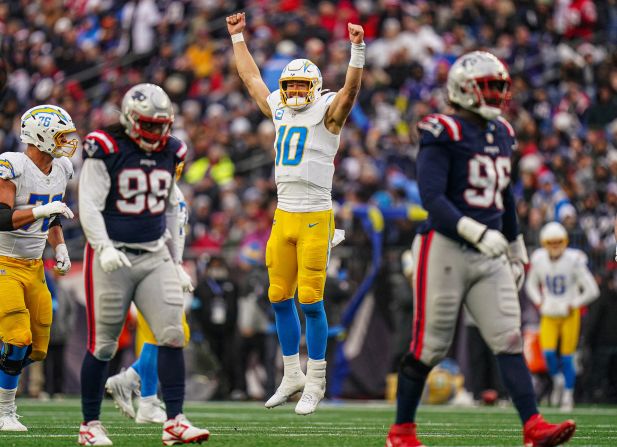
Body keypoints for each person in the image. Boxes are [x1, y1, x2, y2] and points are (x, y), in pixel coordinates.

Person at [385, 51, 577, 447]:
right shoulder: (443, 130)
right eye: (488, 87)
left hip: (489, 251)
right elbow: (432, 197)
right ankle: (401, 431)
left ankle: (532, 425)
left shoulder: (502, 132)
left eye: (500, 87)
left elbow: (503, 195)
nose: (496, 95)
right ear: (463, 88)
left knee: (508, 337)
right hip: (445, 247)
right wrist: (476, 231)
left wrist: (517, 243)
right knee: (429, 346)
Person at [226, 11, 365, 415]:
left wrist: (357, 49)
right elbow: (252, 79)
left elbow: (350, 93)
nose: (297, 91)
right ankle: (291, 374)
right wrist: (238, 39)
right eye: (291, 85)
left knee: (310, 299)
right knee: (277, 295)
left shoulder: (328, 112)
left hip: (315, 215)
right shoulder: (281, 109)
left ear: (317, 86)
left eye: (304, 85)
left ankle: (316, 380)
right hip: (283, 214)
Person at [77, 83, 209, 446]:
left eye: (162, 125)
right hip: (113, 255)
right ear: (131, 119)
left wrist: (177, 261)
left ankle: (175, 420)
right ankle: (90, 425)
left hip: (154, 254)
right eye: (149, 125)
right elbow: (88, 204)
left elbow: (171, 208)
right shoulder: (105, 147)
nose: (157, 133)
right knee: (103, 345)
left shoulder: (172, 150)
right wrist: (102, 246)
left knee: (172, 334)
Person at [0, 104, 77, 431]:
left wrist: (59, 245)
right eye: (60, 136)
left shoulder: (61, 168)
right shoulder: (12, 165)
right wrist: (42, 211)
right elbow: (2, 217)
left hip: (34, 266)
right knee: (18, 338)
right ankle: (5, 412)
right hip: (3, 262)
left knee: (39, 348)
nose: (66, 143)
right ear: (41, 136)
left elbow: (54, 216)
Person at [104, 173, 193, 425]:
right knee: (160, 335)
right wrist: (175, 268)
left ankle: (130, 381)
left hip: (166, 267)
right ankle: (147, 400)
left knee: (176, 335)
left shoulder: (174, 192)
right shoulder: (152, 189)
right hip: (152, 269)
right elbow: (157, 234)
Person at [525, 222, 599, 411]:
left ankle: (568, 395)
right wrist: (539, 301)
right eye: (551, 242)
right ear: (544, 243)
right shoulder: (539, 260)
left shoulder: (574, 260)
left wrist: (574, 303)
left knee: (567, 357)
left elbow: (592, 290)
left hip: (568, 314)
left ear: (565, 241)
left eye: (559, 241)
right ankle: (558, 381)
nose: (555, 245)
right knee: (548, 354)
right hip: (549, 312)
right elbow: (530, 285)